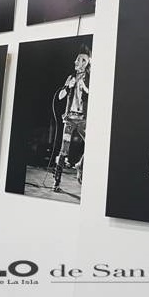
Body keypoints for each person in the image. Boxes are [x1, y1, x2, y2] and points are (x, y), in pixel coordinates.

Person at [54, 46, 91, 190]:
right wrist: (68, 87)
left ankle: (80, 165)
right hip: (70, 118)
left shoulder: (90, 78)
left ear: (86, 63)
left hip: (83, 119)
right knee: (64, 150)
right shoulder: (71, 77)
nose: (77, 62)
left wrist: (85, 88)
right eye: (77, 59)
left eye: (82, 60)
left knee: (92, 145)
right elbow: (60, 96)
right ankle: (56, 181)